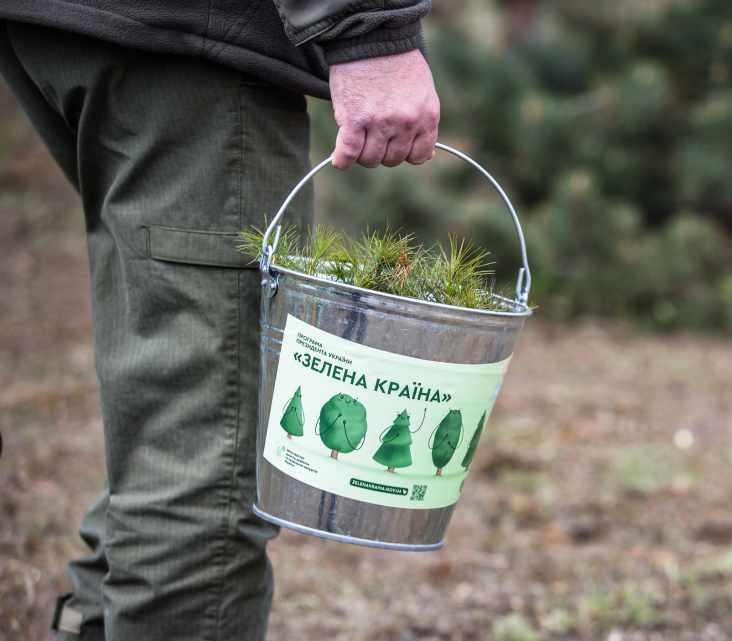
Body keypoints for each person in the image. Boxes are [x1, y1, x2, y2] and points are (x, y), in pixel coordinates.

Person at [0, 2, 439, 640]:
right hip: (193, 39)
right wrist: (368, 26)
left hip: (68, 25)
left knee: (180, 423)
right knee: (209, 464)